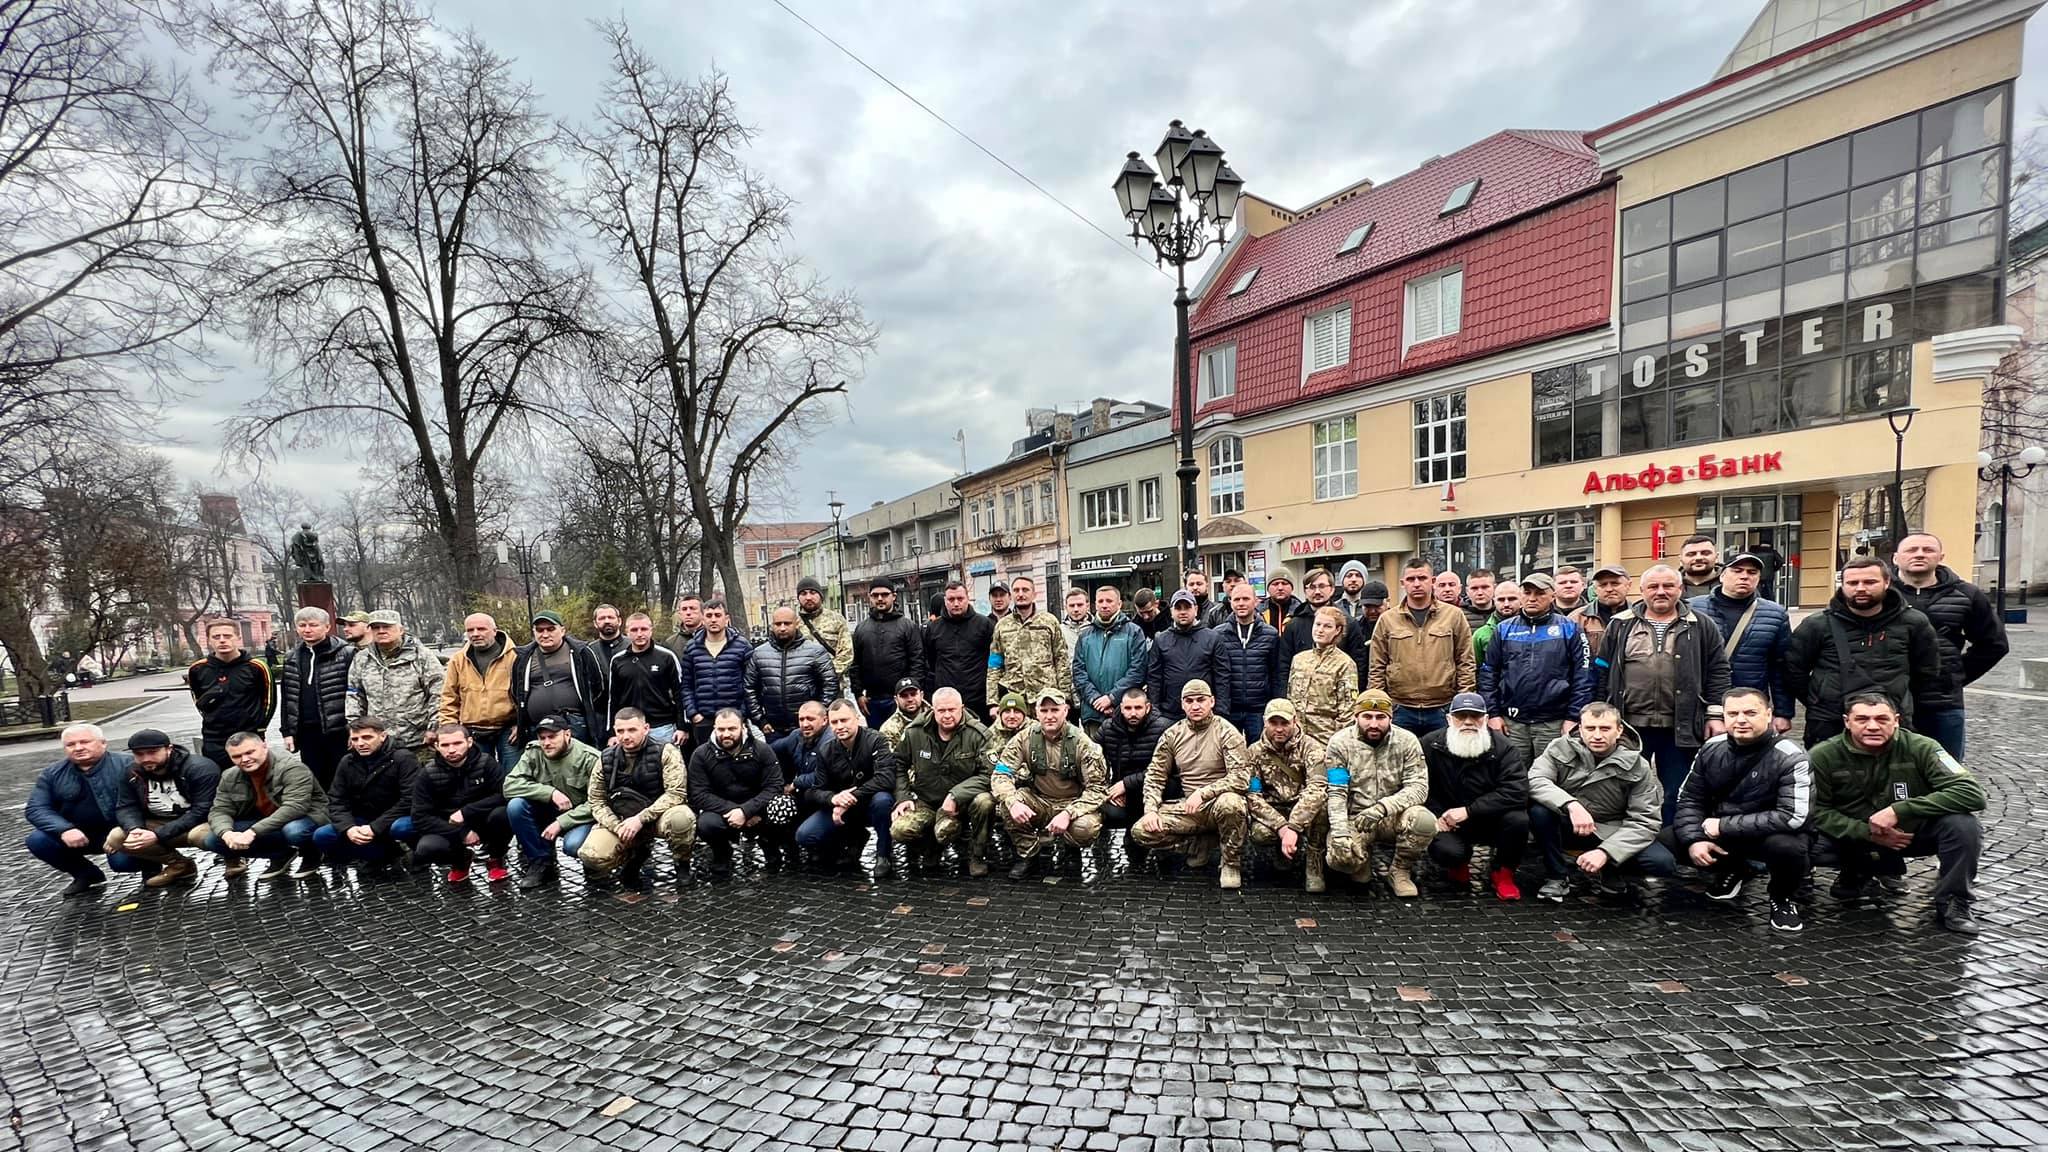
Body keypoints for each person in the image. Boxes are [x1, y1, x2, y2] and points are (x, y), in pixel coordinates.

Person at [1809, 692, 1985, 934]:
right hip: (1854, 838)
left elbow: (1971, 793)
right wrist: (1866, 833)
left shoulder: (1923, 747)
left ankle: (1955, 903)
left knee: (1964, 826)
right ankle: (1858, 869)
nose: (1872, 726)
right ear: (1846, 721)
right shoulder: (1822, 755)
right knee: (1800, 841)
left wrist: (1900, 810)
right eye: (1862, 719)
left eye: (1882, 719)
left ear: (1897, 720)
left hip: (1909, 835)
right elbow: (1815, 810)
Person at [1592, 564, 1730, 825]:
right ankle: (1626, 839)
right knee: (1623, 787)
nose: (1661, 592)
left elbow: (1718, 671)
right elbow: (1602, 670)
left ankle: (1672, 838)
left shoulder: (1701, 625)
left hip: (1680, 725)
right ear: (1642, 590)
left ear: (1680, 589)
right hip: (1629, 725)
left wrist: (1715, 714)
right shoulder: (1620, 624)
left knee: (1677, 790)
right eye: (1653, 586)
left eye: (1668, 586)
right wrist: (1601, 713)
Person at [1673, 688, 1812, 932]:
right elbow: (1690, 798)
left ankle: (1782, 899)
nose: (1741, 720)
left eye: (1750, 712)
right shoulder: (1711, 747)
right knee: (1672, 838)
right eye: (1733, 713)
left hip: (1769, 834)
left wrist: (1723, 825)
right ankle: (1736, 869)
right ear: (1724, 717)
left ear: (1768, 714)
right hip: (1725, 832)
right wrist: (1694, 839)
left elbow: (1793, 816)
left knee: (1788, 848)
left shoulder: (1792, 756)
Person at [1527, 703, 1675, 902]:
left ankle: (1612, 869)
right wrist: (1571, 805)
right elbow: (1535, 780)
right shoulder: (1558, 747)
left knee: (1661, 862)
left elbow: (1645, 821)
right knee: (1538, 812)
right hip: (1569, 822)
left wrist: (1606, 852)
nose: (1597, 735)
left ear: (1619, 730)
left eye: (1605, 729)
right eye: (1590, 728)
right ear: (1580, 728)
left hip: (1612, 829)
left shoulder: (1639, 766)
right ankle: (1557, 876)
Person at [1785, 558, 1942, 747]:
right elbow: (1793, 669)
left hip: (1891, 720)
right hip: (1828, 721)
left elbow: (1927, 671)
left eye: (1870, 582)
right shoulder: (1817, 624)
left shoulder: (1914, 622)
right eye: (1852, 583)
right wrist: (1819, 699)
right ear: (1842, 585)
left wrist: (1900, 700)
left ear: (1887, 582)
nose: (1860, 588)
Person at [1893, 532, 2008, 759]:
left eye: (1927, 550)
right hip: (1889, 702)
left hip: (1943, 703)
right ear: (1896, 558)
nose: (1919, 555)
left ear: (1940, 556)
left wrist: (1955, 675)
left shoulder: (1967, 594)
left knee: (1947, 772)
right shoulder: (1880, 593)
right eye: (1911, 550)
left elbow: (1994, 644)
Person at [1130, 679, 1249, 889]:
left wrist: (1204, 793)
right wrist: (1150, 810)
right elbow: (1155, 775)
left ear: (1212, 701)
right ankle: (1198, 842)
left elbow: (1240, 777)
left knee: (1232, 804)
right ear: (1182, 704)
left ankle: (1230, 863)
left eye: (1201, 700)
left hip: (1217, 803)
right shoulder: (1172, 734)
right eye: (1189, 701)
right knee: (1142, 830)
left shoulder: (1227, 732)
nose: (1195, 706)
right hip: (1189, 809)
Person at [1322, 690, 1434, 897]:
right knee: (1341, 858)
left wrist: (1383, 807)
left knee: (1424, 821)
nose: (1374, 724)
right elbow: (1336, 792)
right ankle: (1361, 860)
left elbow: (1419, 787)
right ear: (1356, 717)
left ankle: (1400, 871)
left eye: (1381, 717)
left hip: (1393, 815)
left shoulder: (1407, 741)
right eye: (1367, 716)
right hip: (1355, 818)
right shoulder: (1339, 743)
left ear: (1390, 717)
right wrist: (1339, 832)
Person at [993, 689, 1111, 880]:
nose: (1049, 716)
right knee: (1007, 805)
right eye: (1044, 710)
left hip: (1073, 803)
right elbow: (1001, 774)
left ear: (1065, 711)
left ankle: (1071, 849)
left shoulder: (1083, 743)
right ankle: (1029, 854)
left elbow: (1098, 789)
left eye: (1054, 710)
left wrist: (1068, 813)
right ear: (1036, 712)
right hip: (1040, 801)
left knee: (1084, 828)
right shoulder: (1025, 738)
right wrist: (1012, 801)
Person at [25, 725, 154, 896]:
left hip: (123, 831)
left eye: (85, 742)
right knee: (38, 840)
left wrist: (124, 830)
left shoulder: (128, 765)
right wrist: (64, 829)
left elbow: (148, 803)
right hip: (79, 834)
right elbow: (36, 808)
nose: (78, 748)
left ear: (103, 743)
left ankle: (151, 866)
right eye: (71, 744)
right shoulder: (52, 773)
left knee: (123, 864)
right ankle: (85, 874)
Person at [1478, 573, 1593, 765]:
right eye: (1527, 592)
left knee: (1551, 777)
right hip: (1512, 723)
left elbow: (1584, 675)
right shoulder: (1504, 629)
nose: (1532, 598)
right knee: (1512, 776)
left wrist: (1573, 716)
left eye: (1539, 593)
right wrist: (1493, 714)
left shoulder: (1569, 628)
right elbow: (1488, 673)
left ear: (1552, 595)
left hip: (1554, 722)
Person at [1420, 698, 1528, 900]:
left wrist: (1470, 811)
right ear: (1449, 719)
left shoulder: (1504, 748)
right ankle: (1458, 864)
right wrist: (1436, 815)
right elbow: (1420, 785)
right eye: (1461, 716)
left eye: (1475, 716)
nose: (1468, 722)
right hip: (1447, 819)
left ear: (1486, 719)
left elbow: (1517, 790)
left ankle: (1503, 874)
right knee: (1447, 851)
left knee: (1519, 820)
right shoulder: (1430, 744)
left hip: (1489, 818)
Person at [580, 708, 695, 887]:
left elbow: (676, 793)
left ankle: (682, 864)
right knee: (591, 855)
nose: (626, 736)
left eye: (632, 730)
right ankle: (634, 855)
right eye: (620, 731)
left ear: (646, 728)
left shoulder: (666, 751)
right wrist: (617, 827)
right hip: (621, 818)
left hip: (658, 815)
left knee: (682, 818)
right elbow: (596, 801)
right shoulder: (605, 758)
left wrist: (641, 819)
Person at [888, 687, 994, 874]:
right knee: (900, 829)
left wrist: (956, 795)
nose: (946, 715)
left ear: (962, 707)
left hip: (964, 804)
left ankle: (977, 855)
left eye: (951, 710)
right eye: (941, 710)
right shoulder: (914, 732)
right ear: (932, 710)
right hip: (927, 800)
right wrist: (903, 796)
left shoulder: (978, 734)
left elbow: (988, 775)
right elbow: (898, 764)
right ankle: (930, 849)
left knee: (985, 802)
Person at [1369, 557, 1476, 737]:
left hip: (1442, 707)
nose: (1417, 584)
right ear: (1403, 583)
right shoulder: (1388, 620)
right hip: (1401, 708)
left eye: (1422, 578)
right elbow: (1377, 666)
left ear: (1432, 581)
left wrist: (1462, 702)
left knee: (1443, 762)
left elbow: (1466, 661)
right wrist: (1381, 705)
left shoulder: (1453, 616)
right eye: (1411, 579)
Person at [1690, 552, 1795, 735]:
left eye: (1752, 572)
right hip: (1701, 704)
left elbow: (1781, 667)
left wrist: (1783, 712)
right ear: (1722, 575)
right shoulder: (1692, 608)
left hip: (1748, 705)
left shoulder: (1775, 615)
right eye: (1737, 570)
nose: (1744, 576)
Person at [796, 698, 901, 878]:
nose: (840, 726)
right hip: (842, 807)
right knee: (805, 835)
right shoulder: (826, 750)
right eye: (835, 722)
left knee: (883, 800)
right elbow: (814, 791)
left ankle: (883, 855)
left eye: (844, 720)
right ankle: (852, 840)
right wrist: (833, 799)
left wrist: (854, 795)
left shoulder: (876, 740)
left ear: (857, 718)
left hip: (870, 803)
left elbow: (886, 778)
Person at [205, 732, 329, 882]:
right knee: (213, 839)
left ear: (264, 746)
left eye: (250, 752)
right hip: (266, 821)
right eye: (236, 756)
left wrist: (252, 832)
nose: (245, 759)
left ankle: (312, 853)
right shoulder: (230, 776)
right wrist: (226, 833)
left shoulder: (291, 767)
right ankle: (280, 854)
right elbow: (219, 810)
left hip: (307, 816)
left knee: (294, 831)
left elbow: (295, 807)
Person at [106, 729, 220, 889]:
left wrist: (157, 835)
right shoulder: (132, 772)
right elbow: (126, 806)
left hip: (200, 822)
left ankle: (233, 859)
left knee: (202, 836)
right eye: (139, 754)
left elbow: (204, 810)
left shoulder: (198, 768)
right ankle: (180, 866)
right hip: (159, 822)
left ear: (169, 749)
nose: (146, 758)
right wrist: (134, 828)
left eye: (152, 752)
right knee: (117, 836)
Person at [1241, 699, 1331, 893]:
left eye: (1285, 723)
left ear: (1295, 721)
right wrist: (1281, 827)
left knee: (1323, 809)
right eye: (1274, 723)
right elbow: (1253, 795)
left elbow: (1317, 788)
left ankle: (1314, 861)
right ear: (1264, 722)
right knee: (1260, 834)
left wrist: (1294, 826)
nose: (1279, 729)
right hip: (1275, 809)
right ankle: (1282, 851)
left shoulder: (1312, 748)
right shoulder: (1254, 752)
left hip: (1303, 806)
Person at [502, 714, 600, 890]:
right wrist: (550, 793)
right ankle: (540, 862)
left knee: (572, 845)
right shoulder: (534, 752)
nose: (546, 743)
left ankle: (595, 862)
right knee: (516, 806)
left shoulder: (589, 758)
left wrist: (561, 823)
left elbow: (599, 802)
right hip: (547, 812)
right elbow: (509, 786)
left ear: (567, 734)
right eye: (542, 738)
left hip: (580, 817)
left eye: (552, 736)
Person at [313, 717, 421, 877]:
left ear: (383, 736)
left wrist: (375, 827)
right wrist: (348, 828)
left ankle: (415, 852)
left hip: (396, 819)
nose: (360, 743)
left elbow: (409, 800)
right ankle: (380, 856)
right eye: (355, 739)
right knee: (322, 836)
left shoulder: (403, 758)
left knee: (402, 828)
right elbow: (336, 800)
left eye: (367, 737)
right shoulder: (347, 761)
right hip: (364, 820)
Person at [687, 708, 783, 880]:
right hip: (722, 810)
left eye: (732, 729)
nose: (726, 734)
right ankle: (722, 852)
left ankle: (771, 846)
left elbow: (774, 786)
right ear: (714, 729)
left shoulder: (762, 750)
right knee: (706, 824)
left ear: (744, 728)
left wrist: (746, 811)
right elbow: (698, 794)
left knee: (783, 807)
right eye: (721, 729)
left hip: (758, 809)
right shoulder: (700, 755)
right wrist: (736, 811)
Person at [345, 610, 446, 753]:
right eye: (376, 627)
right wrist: (354, 729)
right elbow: (354, 696)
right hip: (378, 741)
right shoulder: (362, 659)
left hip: (418, 740)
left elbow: (439, 694)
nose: (381, 631)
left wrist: (434, 728)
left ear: (400, 629)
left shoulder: (421, 656)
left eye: (387, 627)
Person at [1096, 686, 1173, 867]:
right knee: (1108, 811)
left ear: (1147, 707)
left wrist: (1127, 783)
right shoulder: (1108, 728)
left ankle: (1163, 842)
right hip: (1123, 793)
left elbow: (1168, 771)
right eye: (1128, 708)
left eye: (1138, 708)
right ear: (1120, 708)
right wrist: (1109, 789)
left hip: (1157, 788)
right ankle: (1133, 839)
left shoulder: (1164, 728)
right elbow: (1091, 762)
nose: (1133, 713)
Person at [279, 607, 354, 789]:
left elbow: (356, 692)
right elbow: (288, 696)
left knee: (343, 776)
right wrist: (287, 731)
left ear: (327, 627)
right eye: (302, 625)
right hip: (307, 731)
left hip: (338, 728)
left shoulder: (346, 653)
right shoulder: (292, 658)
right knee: (315, 778)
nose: (307, 629)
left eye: (313, 625)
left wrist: (355, 727)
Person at [438, 612, 520, 775]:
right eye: (470, 630)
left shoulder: (515, 656)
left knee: (513, 777)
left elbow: (525, 694)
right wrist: (449, 729)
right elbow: (449, 697)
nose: (475, 634)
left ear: (495, 630)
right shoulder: (458, 660)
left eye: (481, 629)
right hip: (472, 729)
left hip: (508, 730)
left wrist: (522, 723)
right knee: (477, 777)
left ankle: (510, 801)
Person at [188, 618, 275, 767]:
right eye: (216, 637)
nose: (222, 641)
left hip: (249, 735)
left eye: (227, 636)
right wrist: (214, 719)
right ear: (208, 640)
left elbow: (269, 701)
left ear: (238, 638)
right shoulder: (197, 669)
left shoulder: (257, 667)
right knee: (221, 783)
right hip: (214, 739)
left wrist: (260, 729)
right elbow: (200, 703)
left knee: (257, 783)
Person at [512, 611, 606, 746]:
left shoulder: (581, 652)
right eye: (539, 630)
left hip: (574, 724)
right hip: (538, 727)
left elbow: (598, 686)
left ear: (562, 631)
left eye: (550, 629)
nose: (545, 634)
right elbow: (517, 691)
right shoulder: (523, 658)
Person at [746, 606, 839, 739]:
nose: (782, 628)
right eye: (778, 624)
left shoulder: (815, 652)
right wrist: (760, 719)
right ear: (772, 626)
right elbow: (749, 688)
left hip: (809, 729)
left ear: (797, 624)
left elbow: (830, 684)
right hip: (774, 729)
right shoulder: (759, 654)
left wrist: (817, 715)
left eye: (787, 623)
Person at [1145, 590, 1232, 724]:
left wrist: (1221, 711)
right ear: (1171, 611)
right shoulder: (1161, 639)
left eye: (1187, 607)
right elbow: (1154, 679)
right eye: (1178, 608)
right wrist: (1155, 712)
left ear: (1196, 609)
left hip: (1205, 713)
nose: (1183, 612)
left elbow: (1222, 677)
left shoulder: (1212, 638)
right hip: (1170, 715)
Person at [986, 575, 1067, 719]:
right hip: (1015, 698)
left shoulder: (1049, 622)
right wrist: (993, 702)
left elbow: (1061, 660)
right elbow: (994, 665)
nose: (1021, 594)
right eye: (1016, 590)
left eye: (1025, 590)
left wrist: (1065, 697)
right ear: (1011, 596)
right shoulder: (1002, 626)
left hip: (1045, 697)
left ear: (1034, 594)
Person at [1071, 585, 1148, 733]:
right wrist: (1095, 699)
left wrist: (1112, 698)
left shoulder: (1134, 632)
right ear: (1094, 604)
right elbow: (1078, 672)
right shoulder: (1085, 636)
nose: (1104, 605)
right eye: (1100, 601)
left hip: (1124, 712)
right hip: (1093, 714)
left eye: (1109, 601)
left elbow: (1137, 671)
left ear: (1119, 604)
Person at [1214, 581, 1284, 739]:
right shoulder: (1218, 634)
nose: (1241, 603)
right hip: (1229, 709)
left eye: (1245, 599)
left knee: (1259, 754)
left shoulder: (1270, 634)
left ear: (1256, 601)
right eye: (1236, 599)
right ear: (1230, 602)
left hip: (1258, 709)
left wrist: (1274, 705)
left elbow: (1275, 673)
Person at [854, 580, 925, 730]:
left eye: (884, 594)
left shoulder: (907, 626)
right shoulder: (861, 629)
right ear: (869, 597)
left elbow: (917, 661)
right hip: (872, 700)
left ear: (894, 596)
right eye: (875, 595)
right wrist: (858, 694)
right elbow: (855, 664)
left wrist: (912, 695)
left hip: (901, 698)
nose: (880, 598)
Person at [614, 610, 689, 746]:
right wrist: (612, 732)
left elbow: (680, 693)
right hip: (630, 727)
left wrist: (682, 727)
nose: (639, 633)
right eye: (634, 630)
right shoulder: (618, 660)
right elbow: (613, 699)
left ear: (651, 630)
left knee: (666, 765)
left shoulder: (666, 657)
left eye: (644, 629)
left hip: (662, 727)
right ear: (627, 632)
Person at [1288, 606, 1359, 746]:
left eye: (1327, 626)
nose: (1320, 630)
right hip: (1297, 737)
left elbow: (1347, 710)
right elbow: (1290, 696)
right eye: (1317, 624)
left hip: (1325, 737)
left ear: (1337, 630)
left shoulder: (1345, 663)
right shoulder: (1299, 659)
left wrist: (1337, 742)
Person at [925, 581, 995, 720]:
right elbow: (931, 661)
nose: (956, 603)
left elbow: (992, 660)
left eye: (960, 599)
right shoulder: (934, 628)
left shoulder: (984, 624)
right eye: (951, 599)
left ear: (967, 598)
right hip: (947, 702)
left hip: (978, 699)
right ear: (945, 601)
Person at [1279, 568, 1369, 673]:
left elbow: (1359, 664)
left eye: (1322, 586)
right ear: (1305, 591)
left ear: (1332, 589)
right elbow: (1284, 665)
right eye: (1312, 587)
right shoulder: (1294, 624)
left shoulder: (1348, 623)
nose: (1317, 591)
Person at [793, 577, 855, 682]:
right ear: (798, 598)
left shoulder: (836, 619)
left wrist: (827, 675)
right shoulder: (793, 623)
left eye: (813, 593)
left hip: (832, 683)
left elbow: (846, 653)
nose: (808, 597)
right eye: (803, 593)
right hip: (802, 685)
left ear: (821, 596)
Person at [1570, 564, 1632, 658]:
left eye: (1615, 583)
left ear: (1628, 585)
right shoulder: (1577, 619)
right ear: (1595, 589)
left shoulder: (1640, 616)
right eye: (1603, 585)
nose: (1609, 589)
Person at [1470, 583, 1522, 666]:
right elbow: (1474, 667)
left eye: (1512, 599)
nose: (1506, 604)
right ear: (1494, 600)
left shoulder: (1533, 628)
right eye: (1501, 600)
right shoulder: (1481, 635)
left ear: (1521, 599)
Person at [877, 679, 928, 748]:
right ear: (896, 700)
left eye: (913, 694)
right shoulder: (889, 729)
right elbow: (889, 757)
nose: (910, 699)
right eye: (904, 696)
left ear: (921, 695)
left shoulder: (936, 716)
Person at [661, 594, 705, 663]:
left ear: (703, 612)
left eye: (692, 608)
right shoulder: (671, 643)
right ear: (679, 613)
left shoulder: (713, 638)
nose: (688, 612)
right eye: (684, 609)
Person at [1678, 534, 1721, 600]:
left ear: (1717, 557)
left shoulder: (1731, 583)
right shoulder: (1669, 585)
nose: (1698, 558)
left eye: (1706, 553)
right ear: (1680, 560)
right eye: (1691, 554)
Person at [590, 603, 630, 671]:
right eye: (602, 618)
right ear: (595, 623)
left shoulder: (632, 646)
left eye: (611, 617)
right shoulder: (590, 651)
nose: (607, 621)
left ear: (619, 621)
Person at [1458, 568, 1497, 633]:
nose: (1480, 593)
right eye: (1474, 588)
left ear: (1494, 588)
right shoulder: (1458, 616)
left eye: (1485, 587)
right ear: (1467, 591)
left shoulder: (1503, 614)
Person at [1060, 587, 1093, 656]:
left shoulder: (1097, 629)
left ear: (1087, 606)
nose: (1076, 609)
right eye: (1072, 605)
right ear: (1066, 607)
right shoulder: (1060, 631)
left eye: (1080, 605)